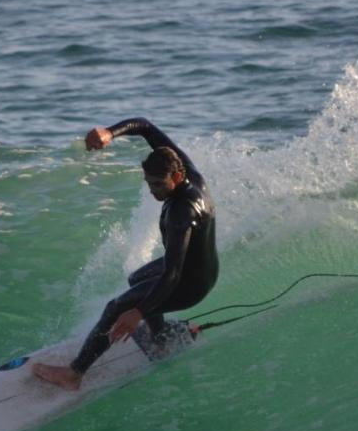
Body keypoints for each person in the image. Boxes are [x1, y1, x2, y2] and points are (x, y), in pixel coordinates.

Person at [32, 118, 218, 391]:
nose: (153, 192)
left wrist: (138, 312)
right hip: (202, 268)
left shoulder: (181, 212)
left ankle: (73, 374)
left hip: (190, 283)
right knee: (137, 279)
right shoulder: (188, 172)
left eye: (158, 185)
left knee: (117, 308)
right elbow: (145, 126)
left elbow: (173, 274)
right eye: (149, 184)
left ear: (176, 177)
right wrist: (110, 133)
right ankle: (162, 337)